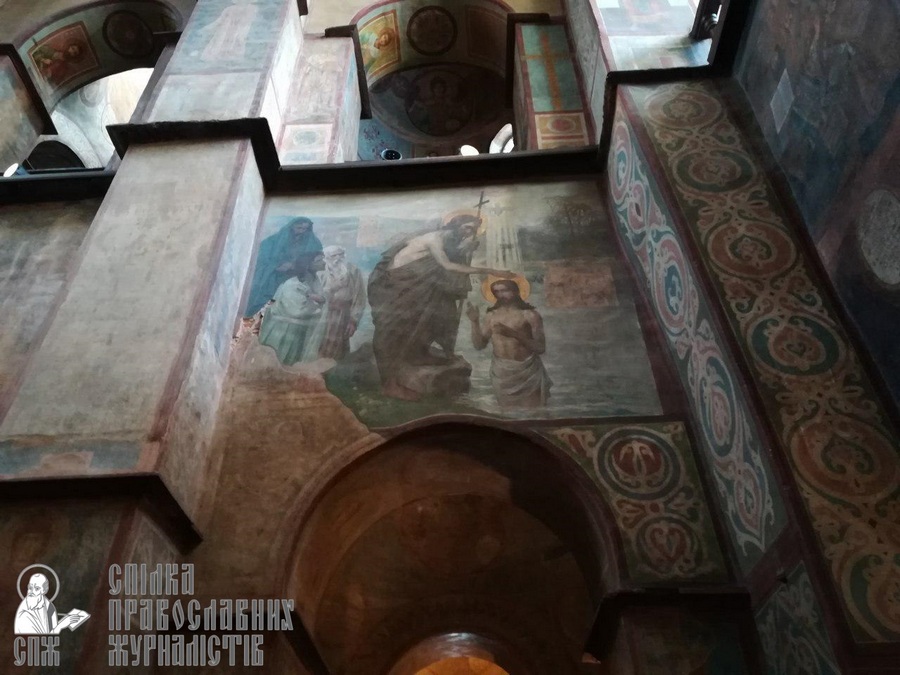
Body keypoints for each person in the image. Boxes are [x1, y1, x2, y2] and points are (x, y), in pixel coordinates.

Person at [367, 214, 512, 399]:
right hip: (398, 285)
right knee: (395, 330)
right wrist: (490, 270)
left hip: (415, 284)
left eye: (473, 230)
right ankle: (389, 384)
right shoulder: (434, 238)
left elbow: (446, 256)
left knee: (431, 314)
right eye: (467, 228)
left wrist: (466, 248)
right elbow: (447, 265)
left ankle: (419, 353)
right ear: (455, 225)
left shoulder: (446, 239)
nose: (469, 233)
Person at [466, 279, 551, 409]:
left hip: (527, 372)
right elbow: (479, 345)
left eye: (505, 290)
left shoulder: (530, 315)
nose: (500, 295)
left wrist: (514, 334)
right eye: (496, 292)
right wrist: (474, 322)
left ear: (516, 292)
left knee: (533, 411)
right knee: (507, 413)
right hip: (501, 372)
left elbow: (540, 347)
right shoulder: (491, 316)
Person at [258, 253, 327, 365]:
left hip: (297, 329)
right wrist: (316, 307)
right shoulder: (292, 284)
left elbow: (321, 298)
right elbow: (297, 310)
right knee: (277, 360)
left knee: (291, 361)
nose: (323, 263)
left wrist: (315, 299)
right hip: (284, 329)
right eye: (319, 260)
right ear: (309, 264)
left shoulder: (313, 279)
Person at [246, 217, 323, 316]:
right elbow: (261, 261)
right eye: (299, 228)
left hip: (298, 278)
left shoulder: (312, 242)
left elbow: (315, 258)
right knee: (265, 303)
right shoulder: (272, 242)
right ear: (291, 227)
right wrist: (277, 266)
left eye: (305, 229)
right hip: (274, 278)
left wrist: (296, 265)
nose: (301, 231)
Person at [318, 246, 367, 360]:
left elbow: (359, 297)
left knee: (339, 350)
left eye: (341, 255)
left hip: (343, 315)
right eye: (334, 256)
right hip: (322, 316)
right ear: (326, 258)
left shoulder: (353, 270)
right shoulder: (320, 272)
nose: (338, 258)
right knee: (319, 347)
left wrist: (354, 321)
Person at [15, 573, 81, 634]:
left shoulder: (49, 607)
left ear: (44, 590)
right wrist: (62, 624)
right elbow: (42, 639)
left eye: (37, 588)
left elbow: (53, 634)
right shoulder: (24, 614)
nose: (32, 592)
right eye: (30, 588)